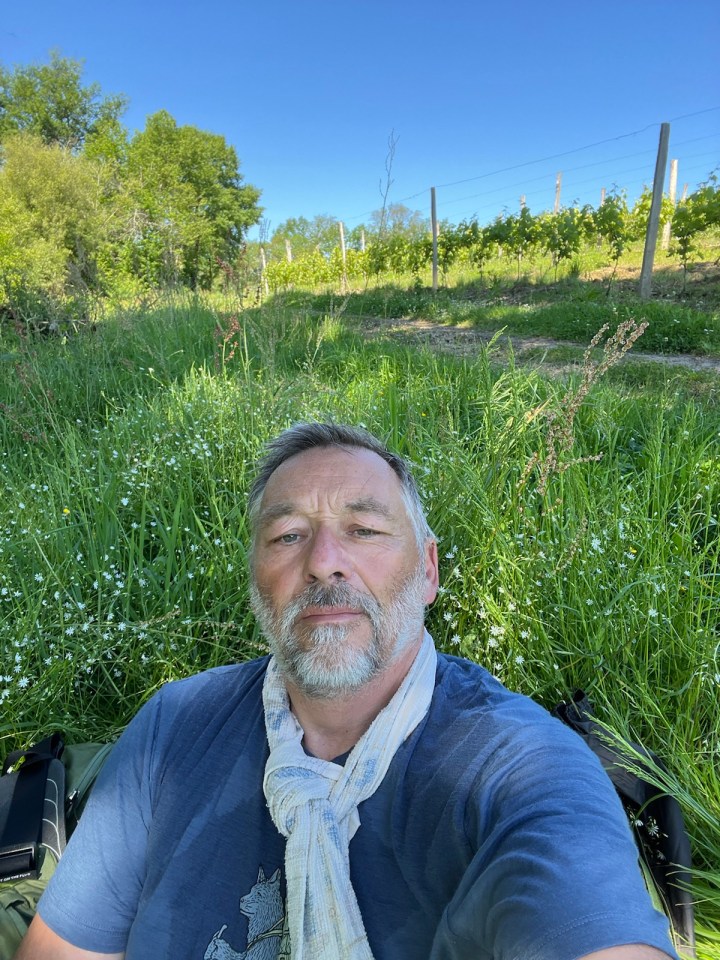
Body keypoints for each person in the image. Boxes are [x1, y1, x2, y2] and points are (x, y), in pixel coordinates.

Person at [16, 422, 680, 960]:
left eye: (363, 530)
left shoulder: (522, 771)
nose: (323, 561)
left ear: (427, 571)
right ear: (256, 579)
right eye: (287, 536)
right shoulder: (172, 727)